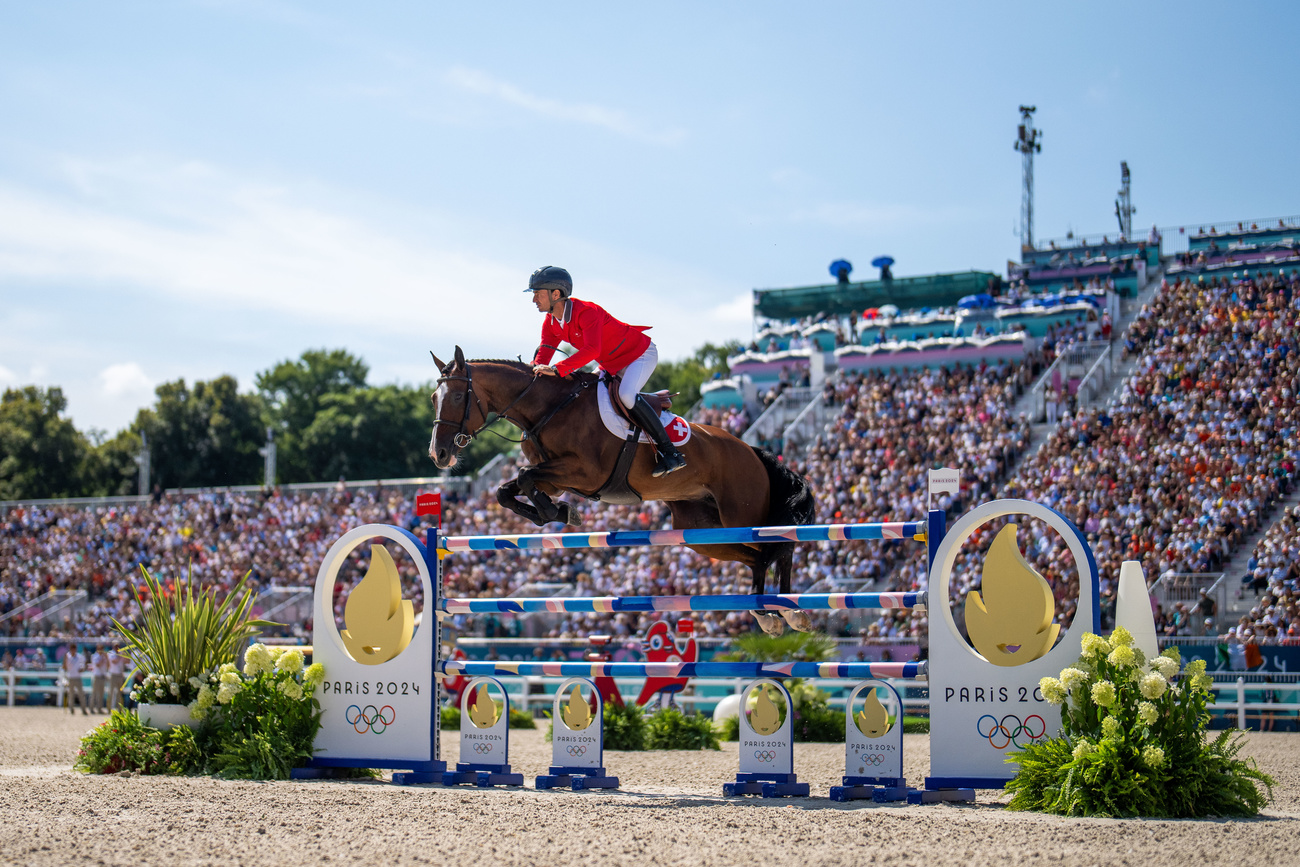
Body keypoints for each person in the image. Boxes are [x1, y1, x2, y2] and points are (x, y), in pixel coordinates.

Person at [527, 266, 686, 477]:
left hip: (639, 355)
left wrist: (557, 370)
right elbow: (544, 354)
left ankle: (671, 453)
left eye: (538, 293)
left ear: (556, 294)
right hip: (611, 363)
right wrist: (532, 374)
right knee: (585, 391)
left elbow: (593, 350)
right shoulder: (551, 322)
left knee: (626, 395)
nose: (534, 299)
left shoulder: (586, 312)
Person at [61, 646, 88, 716]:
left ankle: (83, 709)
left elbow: (85, 663)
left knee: (81, 694)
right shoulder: (68, 656)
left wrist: (83, 669)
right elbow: (64, 667)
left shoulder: (79, 656)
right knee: (71, 695)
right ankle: (71, 709)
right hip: (70, 677)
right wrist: (65, 659)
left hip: (78, 677)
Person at [89, 647, 108, 714]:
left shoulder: (105, 657)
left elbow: (108, 665)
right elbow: (98, 664)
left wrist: (106, 657)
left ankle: (99, 708)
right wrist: (102, 658)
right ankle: (91, 708)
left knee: (101, 694)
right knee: (94, 693)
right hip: (97, 676)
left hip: (102, 676)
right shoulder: (94, 656)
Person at [107, 648, 126, 712]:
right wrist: (119, 655)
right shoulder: (111, 653)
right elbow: (114, 661)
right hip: (113, 675)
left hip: (120, 675)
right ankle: (109, 709)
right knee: (111, 692)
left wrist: (124, 655)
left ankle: (119, 709)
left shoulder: (121, 653)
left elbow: (127, 661)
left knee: (120, 693)